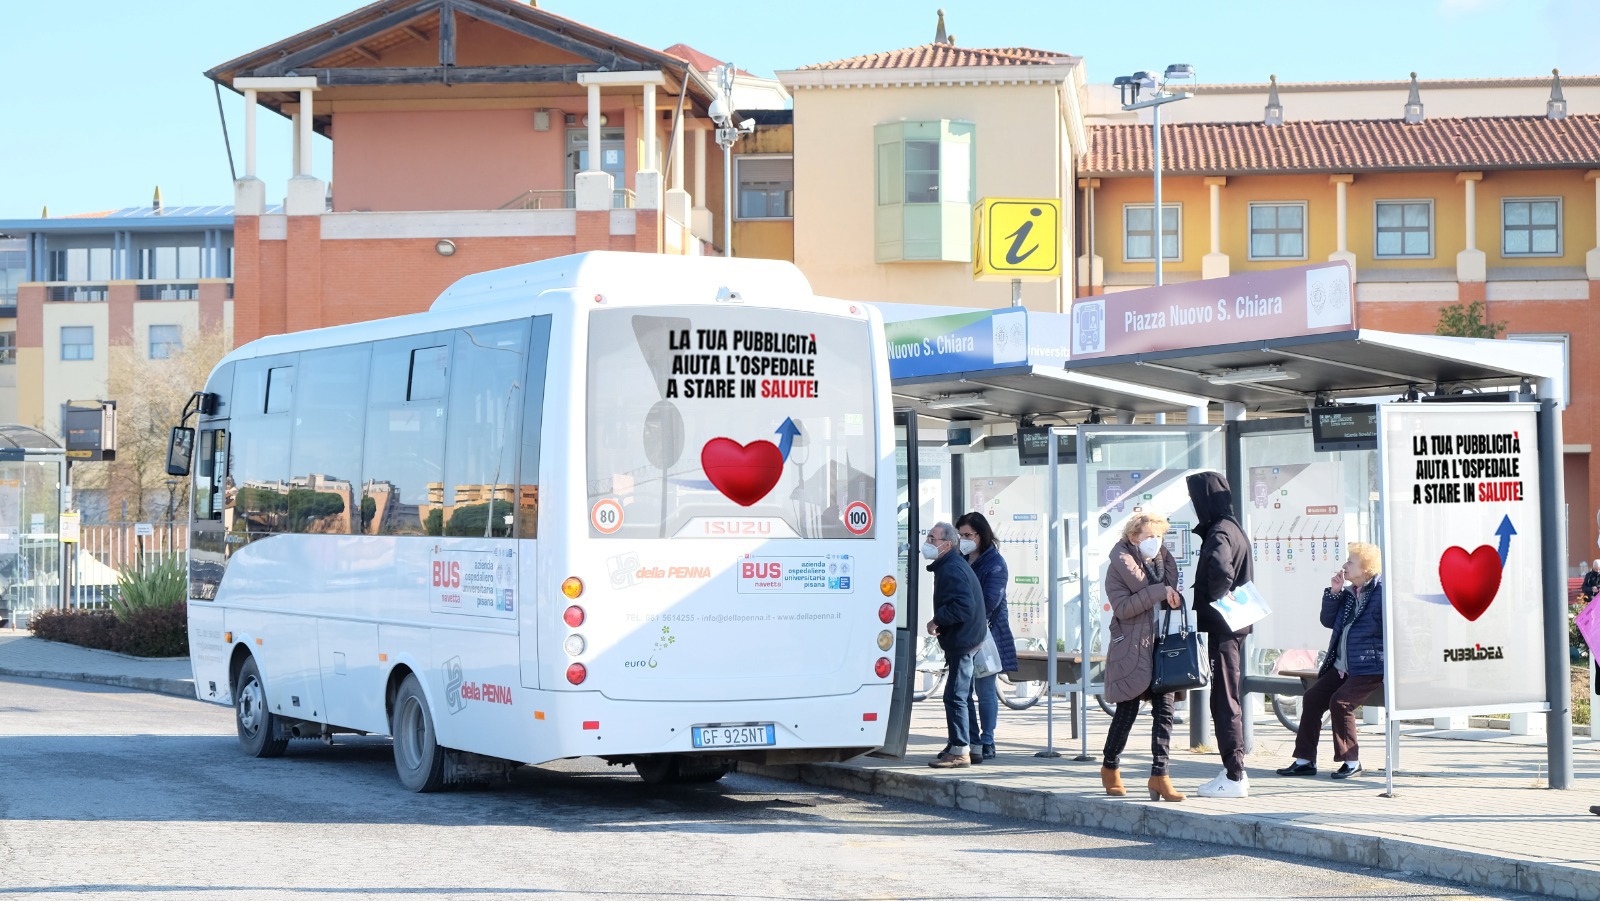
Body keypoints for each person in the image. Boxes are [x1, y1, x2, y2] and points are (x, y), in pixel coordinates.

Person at [1277, 543, 1385, 780]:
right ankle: (1305, 760)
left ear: (1365, 568)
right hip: (1342, 666)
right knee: (1312, 698)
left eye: (1350, 562)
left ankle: (1351, 761)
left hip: (1369, 666)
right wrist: (1334, 593)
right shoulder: (1348, 593)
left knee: (1340, 702)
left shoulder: (1381, 593)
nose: (1344, 565)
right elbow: (1328, 621)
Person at [1100, 513, 1186, 802]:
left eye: (1159, 536)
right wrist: (1159, 592)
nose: (1155, 542)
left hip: (1163, 647)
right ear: (1133, 537)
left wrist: (1175, 598)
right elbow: (1123, 608)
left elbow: (1168, 602)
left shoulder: (1165, 564)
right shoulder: (1118, 566)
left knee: (1165, 713)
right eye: (1149, 536)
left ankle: (1160, 775)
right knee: (1127, 712)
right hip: (1132, 649)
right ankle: (1110, 766)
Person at [1186, 471, 1254, 799]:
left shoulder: (1219, 532)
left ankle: (1234, 772)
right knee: (1228, 693)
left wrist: (1216, 599)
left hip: (1223, 627)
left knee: (1224, 697)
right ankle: (1234, 769)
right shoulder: (1234, 527)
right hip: (1235, 625)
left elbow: (1221, 570)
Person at [922, 521, 987, 769]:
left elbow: (963, 606)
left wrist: (937, 620)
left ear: (947, 544)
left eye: (932, 539)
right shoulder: (950, 564)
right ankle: (968, 745)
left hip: (964, 639)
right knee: (962, 695)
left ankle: (960, 751)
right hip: (966, 637)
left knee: (955, 696)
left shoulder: (951, 568)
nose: (927, 543)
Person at [956, 512, 1017, 761]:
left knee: (985, 689)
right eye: (960, 535)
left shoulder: (995, 562)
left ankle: (988, 740)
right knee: (962, 690)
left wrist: (964, 610)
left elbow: (991, 600)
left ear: (981, 535)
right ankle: (973, 740)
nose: (963, 540)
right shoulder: (959, 559)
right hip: (961, 632)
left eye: (968, 535)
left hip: (987, 634)